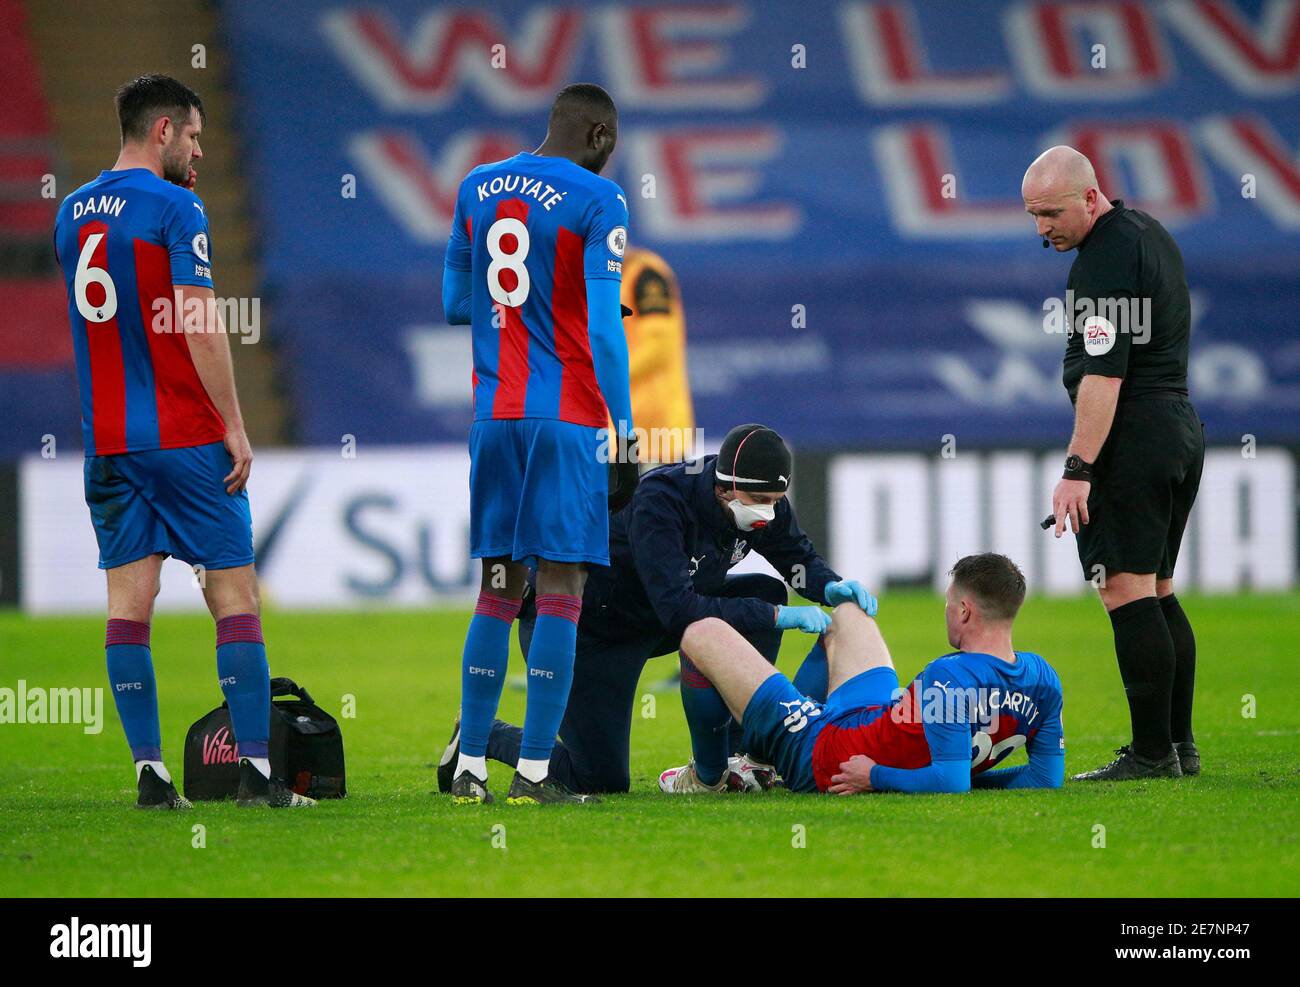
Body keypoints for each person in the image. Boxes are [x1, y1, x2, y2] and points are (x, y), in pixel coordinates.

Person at [53, 74, 312, 809]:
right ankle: (260, 775)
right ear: (162, 130)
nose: (199, 150)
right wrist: (232, 421)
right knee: (235, 596)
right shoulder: (175, 207)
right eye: (193, 135)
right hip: (181, 435)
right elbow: (197, 322)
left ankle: (152, 773)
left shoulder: (71, 213)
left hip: (106, 442)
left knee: (127, 604)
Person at [438, 423, 878, 795]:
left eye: (775, 502)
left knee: (766, 589)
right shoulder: (661, 500)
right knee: (599, 778)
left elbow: (795, 558)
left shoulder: (760, 498)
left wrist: (831, 586)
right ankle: (481, 734)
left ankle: (734, 756)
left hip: (655, 621)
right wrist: (779, 618)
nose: (767, 514)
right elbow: (680, 610)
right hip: (589, 631)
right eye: (758, 501)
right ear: (723, 487)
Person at [440, 82, 638, 805]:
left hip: (494, 416)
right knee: (563, 589)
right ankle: (531, 773)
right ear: (598, 139)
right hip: (566, 422)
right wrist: (627, 428)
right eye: (611, 152)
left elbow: (456, 303)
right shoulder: (598, 201)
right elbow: (605, 331)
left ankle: (467, 766)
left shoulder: (477, 185)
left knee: (497, 589)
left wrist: (519, 309)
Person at [1023, 146, 1204, 781]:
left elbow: (1104, 373)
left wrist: (1078, 467)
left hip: (1134, 438)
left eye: (1051, 212)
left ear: (1090, 197)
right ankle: (1177, 747)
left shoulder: (1101, 257)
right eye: (1034, 215)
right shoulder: (1148, 233)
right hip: (1178, 426)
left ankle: (1152, 755)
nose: (1043, 227)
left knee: (1123, 590)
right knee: (1157, 589)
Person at [671, 554, 1064, 795]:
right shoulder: (1044, 678)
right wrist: (970, 774)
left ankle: (709, 777)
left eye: (948, 603)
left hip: (826, 752)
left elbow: (951, 782)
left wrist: (874, 776)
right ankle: (761, 755)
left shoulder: (951, 676)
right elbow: (1045, 779)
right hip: (871, 714)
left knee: (700, 632)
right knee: (848, 613)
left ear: (963, 610)